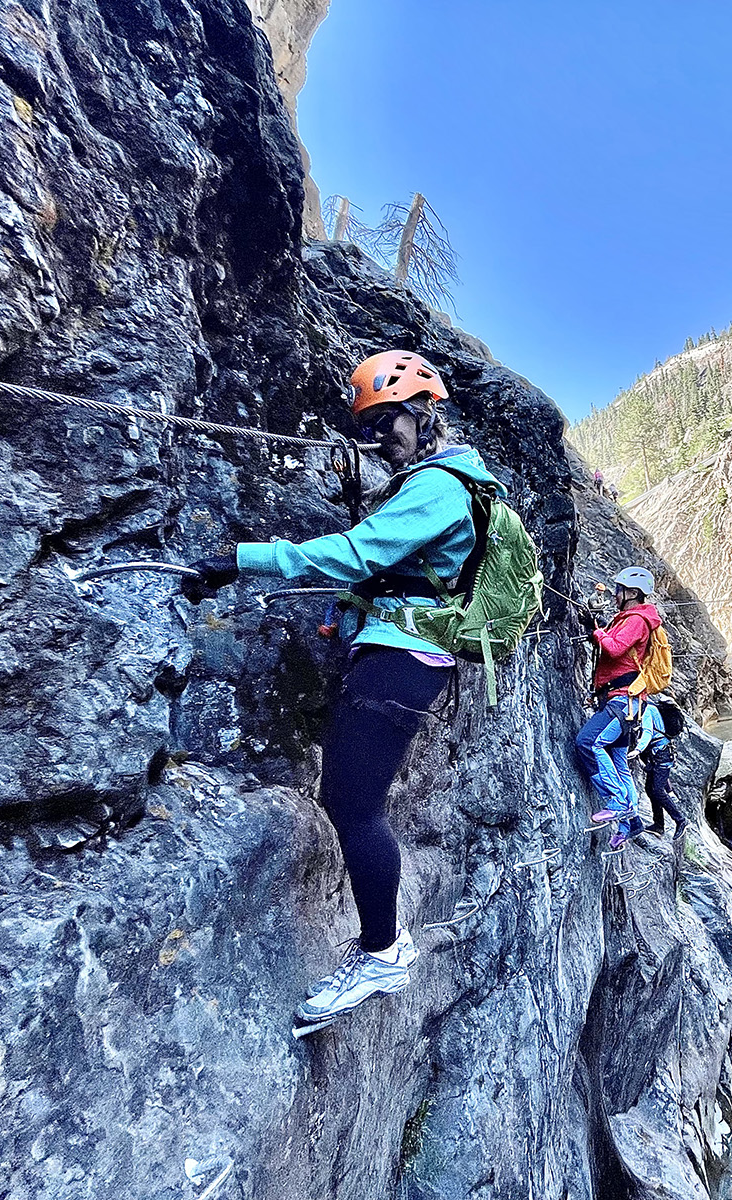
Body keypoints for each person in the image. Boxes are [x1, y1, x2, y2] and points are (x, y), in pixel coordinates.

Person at [180, 349, 502, 1028]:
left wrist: (242, 560)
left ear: (426, 410)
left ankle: (382, 952)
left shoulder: (440, 487)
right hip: (407, 655)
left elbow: (360, 552)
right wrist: (352, 613)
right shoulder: (450, 483)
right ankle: (381, 945)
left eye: (389, 419)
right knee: (353, 800)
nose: (380, 435)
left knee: (354, 807)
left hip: (402, 662)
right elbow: (398, 573)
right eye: (370, 425)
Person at [576, 567, 661, 847]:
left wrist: (597, 631)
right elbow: (612, 650)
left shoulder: (637, 619)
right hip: (621, 701)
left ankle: (616, 801)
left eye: (618, 590)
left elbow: (614, 648)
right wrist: (596, 630)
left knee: (589, 743)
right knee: (619, 761)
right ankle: (632, 823)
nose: (614, 595)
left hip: (623, 700)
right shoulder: (628, 618)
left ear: (632, 593)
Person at [630, 697, 685, 838]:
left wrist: (638, 750)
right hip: (660, 754)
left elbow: (648, 732)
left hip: (661, 755)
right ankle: (658, 825)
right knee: (650, 789)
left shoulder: (648, 710)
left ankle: (680, 821)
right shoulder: (652, 709)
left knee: (657, 790)